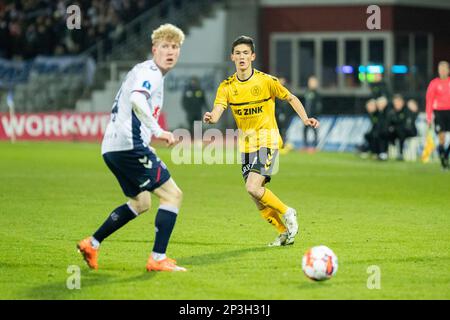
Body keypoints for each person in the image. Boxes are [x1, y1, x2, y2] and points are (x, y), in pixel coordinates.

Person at [77, 24, 187, 272]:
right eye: (165, 46)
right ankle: (158, 258)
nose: (170, 51)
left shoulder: (142, 70)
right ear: (154, 49)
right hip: (129, 145)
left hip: (112, 147)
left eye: (175, 47)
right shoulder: (152, 72)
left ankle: (92, 243)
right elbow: (137, 99)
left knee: (141, 202)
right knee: (173, 195)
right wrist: (158, 131)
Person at [203, 36, 319, 246]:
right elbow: (219, 109)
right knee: (256, 196)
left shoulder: (266, 81)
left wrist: (305, 118)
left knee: (252, 187)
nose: (241, 57)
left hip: (268, 140)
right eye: (237, 53)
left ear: (253, 56)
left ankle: (287, 211)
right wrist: (212, 116)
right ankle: (283, 232)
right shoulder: (227, 86)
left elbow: (291, 97)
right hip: (247, 146)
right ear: (232, 57)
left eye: (245, 53)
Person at [426, 60, 450, 170]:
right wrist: (429, 116)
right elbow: (429, 100)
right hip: (439, 112)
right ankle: (443, 163)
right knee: (442, 138)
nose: (443, 71)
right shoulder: (434, 83)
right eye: (441, 69)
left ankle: (446, 155)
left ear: (448, 70)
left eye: (445, 69)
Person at [303, 76, 322, 151]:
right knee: (305, 130)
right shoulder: (307, 92)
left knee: (315, 131)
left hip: (314, 116)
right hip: (307, 116)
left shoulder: (317, 94)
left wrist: (316, 114)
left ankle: (315, 146)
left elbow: (318, 106)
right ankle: (305, 145)